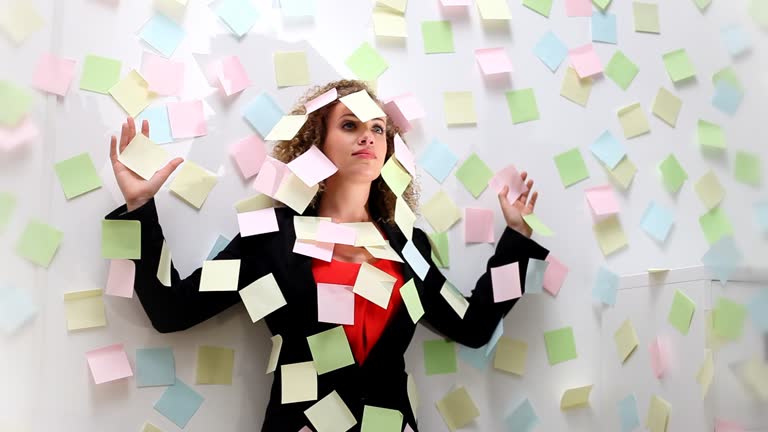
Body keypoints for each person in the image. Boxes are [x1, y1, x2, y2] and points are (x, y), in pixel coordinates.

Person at [105, 79, 549, 431]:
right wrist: (139, 208)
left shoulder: (405, 245)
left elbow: (472, 326)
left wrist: (517, 238)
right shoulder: (269, 238)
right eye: (350, 125)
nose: (368, 138)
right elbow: (169, 310)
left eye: (378, 129)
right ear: (316, 140)